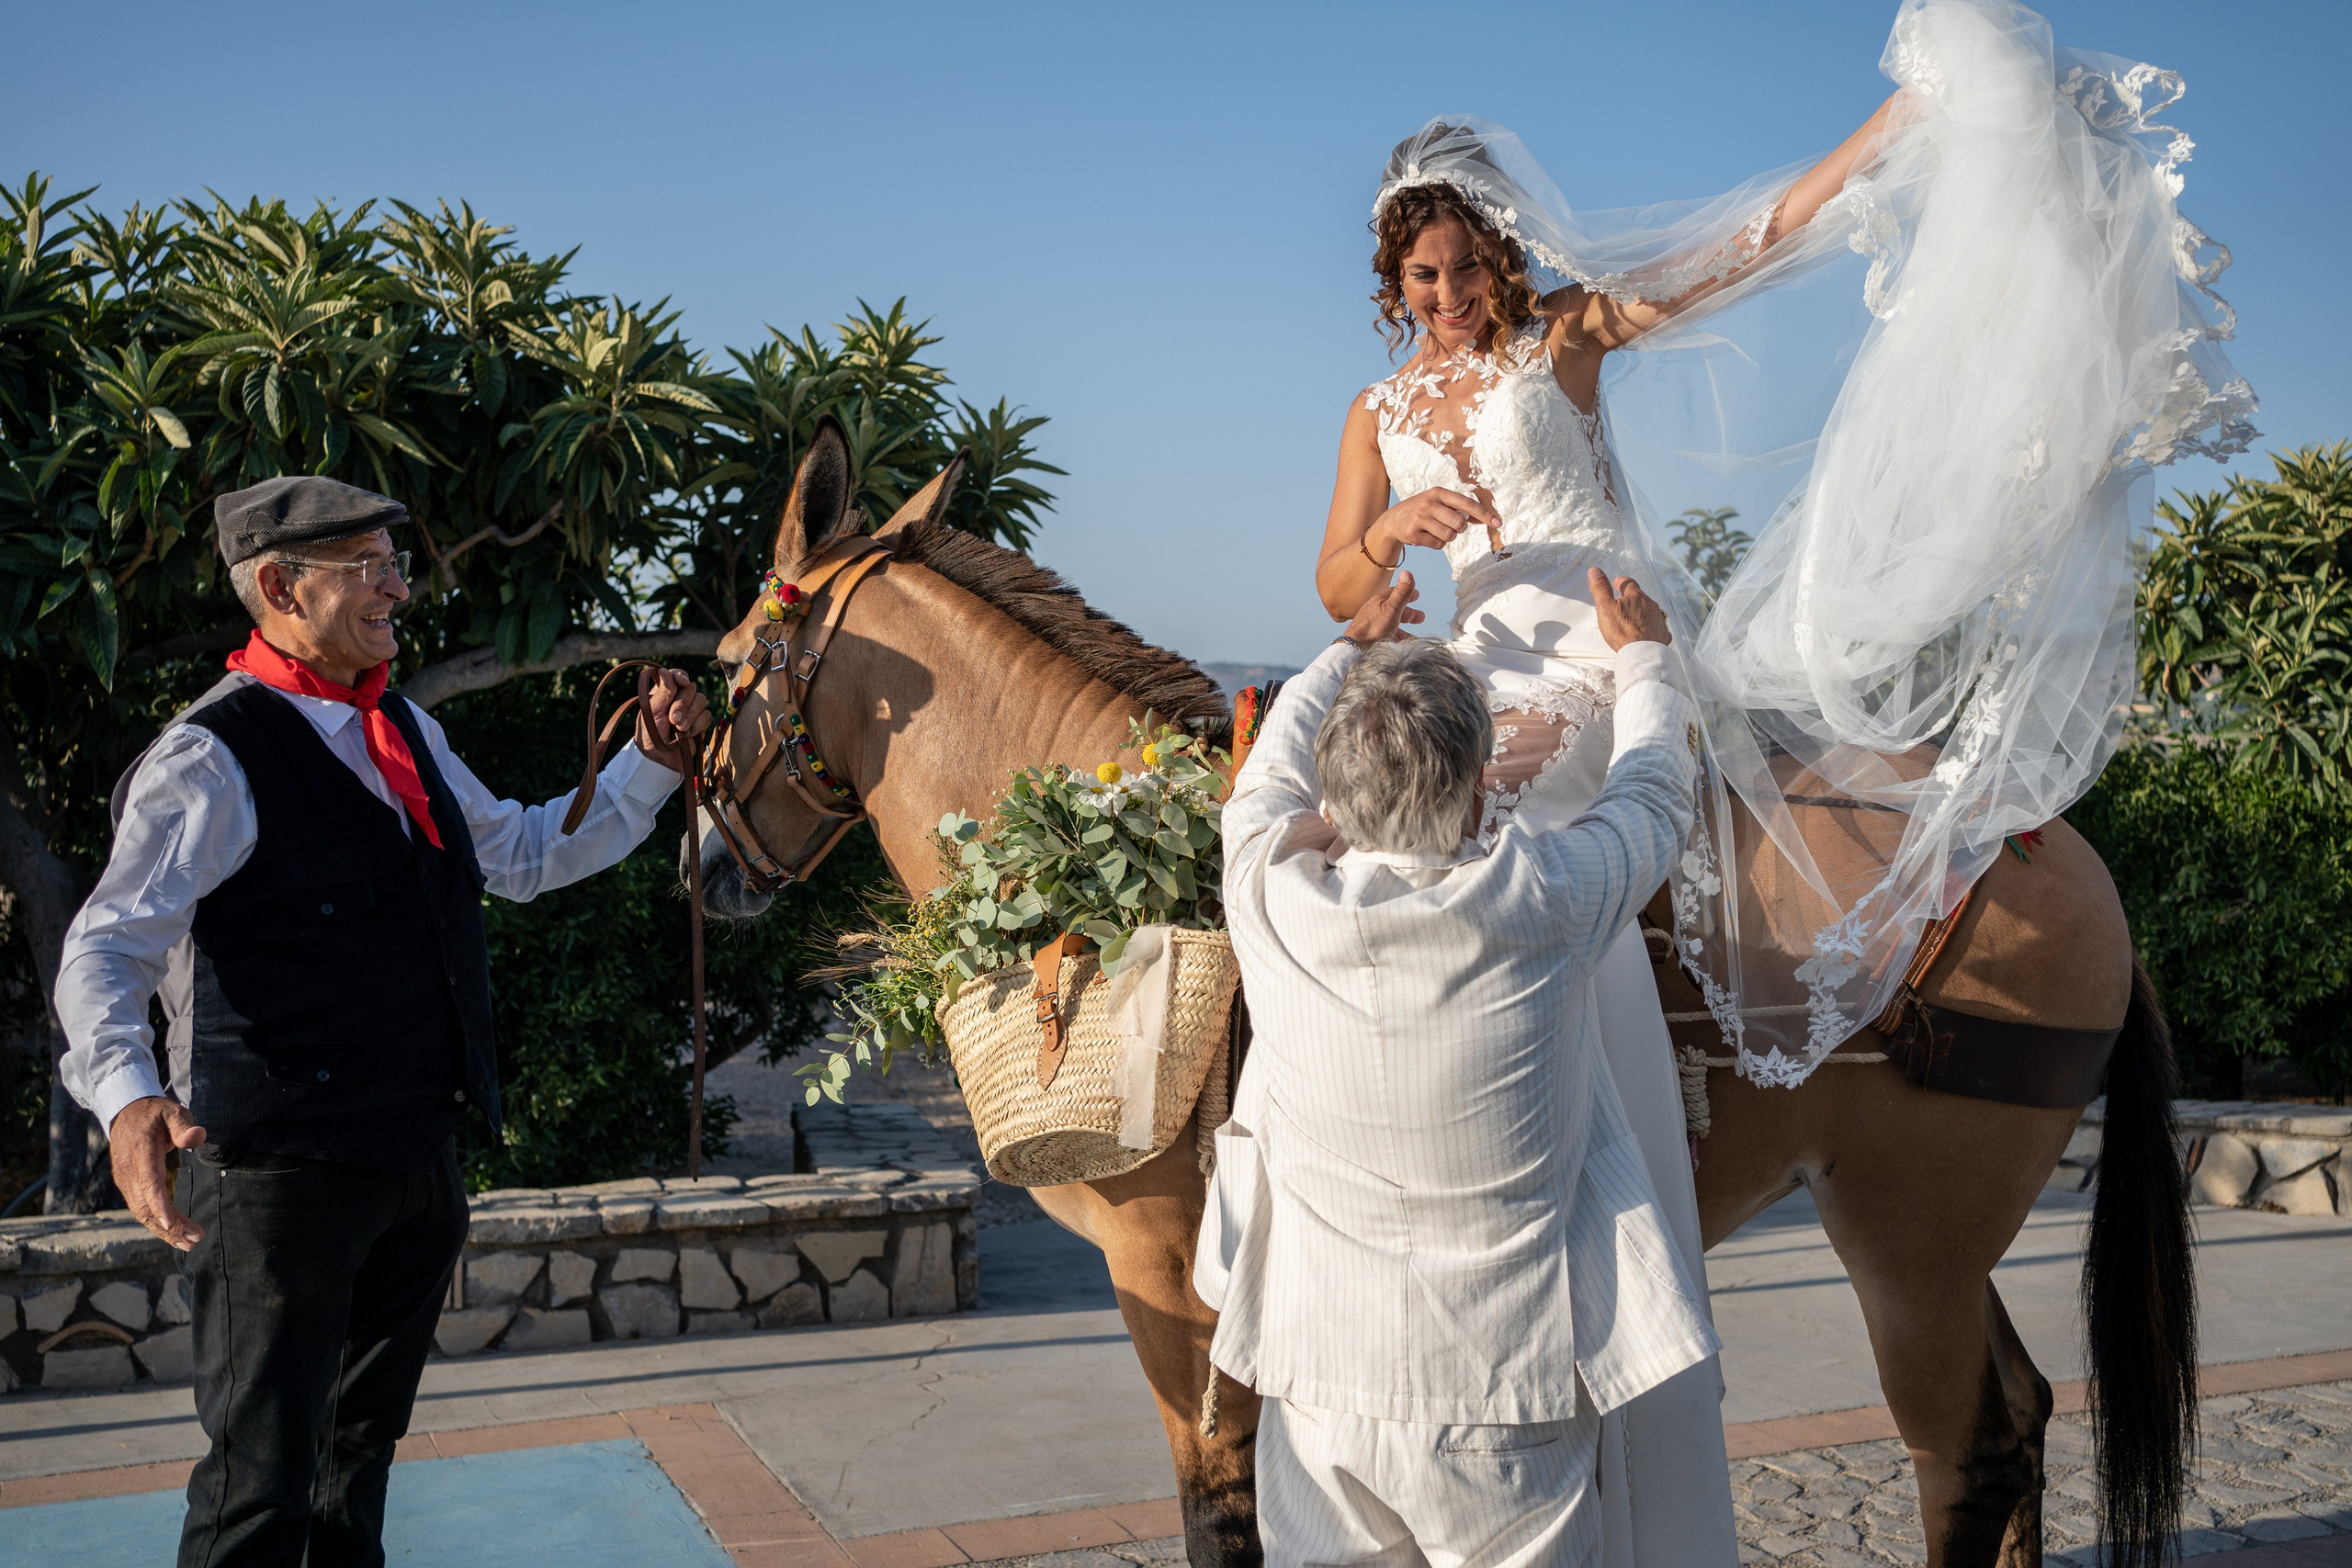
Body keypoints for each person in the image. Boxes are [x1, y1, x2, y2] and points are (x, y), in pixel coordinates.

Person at [52, 475, 712, 1568]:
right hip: (274, 1182)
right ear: (278, 585)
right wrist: (128, 1104)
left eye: (390, 564)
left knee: (355, 1465)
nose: (397, 589)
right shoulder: (207, 757)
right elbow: (104, 947)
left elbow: (524, 856)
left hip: (410, 1162)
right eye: (366, 568)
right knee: (257, 1486)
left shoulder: (402, 727)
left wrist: (648, 759)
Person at [1198, 567, 1717, 1568]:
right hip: (1499, 1397)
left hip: (1315, 1389)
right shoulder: (1544, 901)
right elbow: (1653, 798)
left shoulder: (1265, 892)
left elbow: (1264, 781)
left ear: (1335, 797)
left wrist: (1346, 649)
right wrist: (1644, 657)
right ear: (1484, 786)